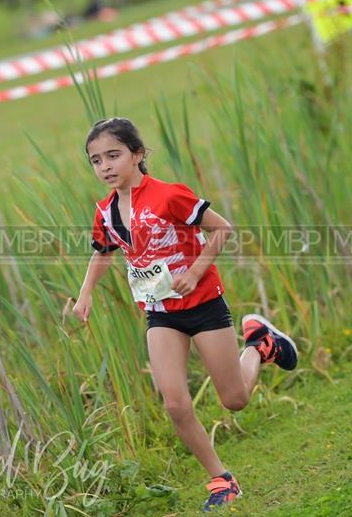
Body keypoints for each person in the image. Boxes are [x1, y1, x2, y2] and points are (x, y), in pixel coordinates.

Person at [71, 118, 298, 512]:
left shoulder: (168, 195)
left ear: (138, 155)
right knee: (175, 404)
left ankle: (259, 345)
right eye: (95, 160)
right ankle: (221, 481)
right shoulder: (106, 212)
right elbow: (103, 251)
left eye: (113, 155)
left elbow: (222, 229)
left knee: (235, 400)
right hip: (160, 313)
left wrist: (194, 272)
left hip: (204, 305)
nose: (105, 166)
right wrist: (85, 294)